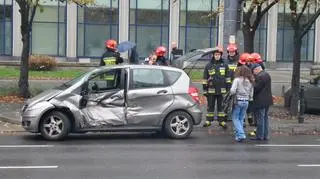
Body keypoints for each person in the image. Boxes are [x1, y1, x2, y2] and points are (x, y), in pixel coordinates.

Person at [202, 46, 230, 129]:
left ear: (221, 55)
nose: (217, 56)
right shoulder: (208, 65)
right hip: (211, 89)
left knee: (221, 106)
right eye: (216, 54)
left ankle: (221, 121)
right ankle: (208, 120)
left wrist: (228, 89)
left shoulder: (225, 65)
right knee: (210, 106)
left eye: (219, 54)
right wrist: (204, 90)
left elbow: (228, 78)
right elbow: (204, 78)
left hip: (222, 90)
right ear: (213, 55)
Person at [229, 65, 254, 142]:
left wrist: (230, 94)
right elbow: (251, 93)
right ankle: (238, 136)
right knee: (241, 118)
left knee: (235, 118)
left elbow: (232, 90)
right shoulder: (250, 80)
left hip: (238, 101)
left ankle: (241, 134)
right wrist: (249, 98)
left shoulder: (237, 80)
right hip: (246, 101)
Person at [250, 64, 273, 140]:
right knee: (265, 118)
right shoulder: (267, 74)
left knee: (260, 119)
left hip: (260, 101)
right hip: (267, 100)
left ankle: (259, 136)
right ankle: (265, 135)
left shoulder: (259, 76)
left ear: (256, 69)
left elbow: (256, 88)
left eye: (253, 71)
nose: (253, 73)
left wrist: (252, 82)